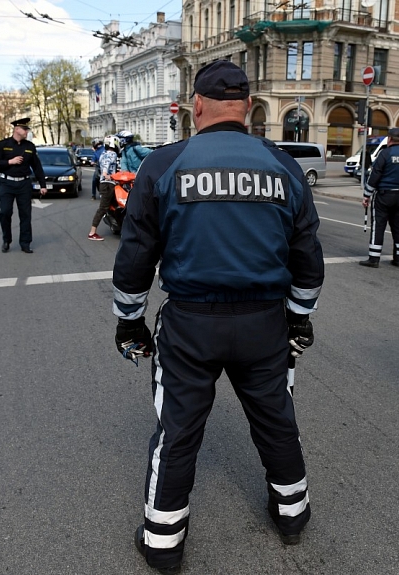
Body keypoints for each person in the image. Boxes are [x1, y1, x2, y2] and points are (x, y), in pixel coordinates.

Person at [112, 60, 324, 574]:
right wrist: (298, 317)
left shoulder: (163, 165)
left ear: (196, 106)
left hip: (190, 324)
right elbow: (307, 257)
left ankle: (163, 542)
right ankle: (292, 515)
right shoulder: (283, 165)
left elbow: (136, 255)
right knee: (276, 419)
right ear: (248, 108)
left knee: (178, 430)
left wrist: (129, 321)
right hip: (263, 323)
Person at [359, 127, 399, 268]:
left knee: (378, 226)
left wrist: (366, 195)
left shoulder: (385, 154)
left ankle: (374, 259)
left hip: (385, 195)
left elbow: (375, 176)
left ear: (389, 139)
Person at [0, 118, 47, 254]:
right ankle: (6, 240)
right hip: (7, 183)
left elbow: (37, 167)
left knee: (25, 215)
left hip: (24, 184)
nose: (27, 131)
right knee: (5, 212)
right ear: (17, 129)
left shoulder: (29, 146)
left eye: (27, 129)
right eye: (25, 129)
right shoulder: (3, 145)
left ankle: (25, 243)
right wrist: (10, 161)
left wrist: (42, 185)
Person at [88, 136, 119, 240]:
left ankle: (115, 225)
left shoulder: (103, 153)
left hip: (103, 183)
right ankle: (92, 233)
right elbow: (106, 165)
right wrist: (107, 174)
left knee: (112, 205)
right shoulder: (112, 154)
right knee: (103, 208)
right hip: (108, 183)